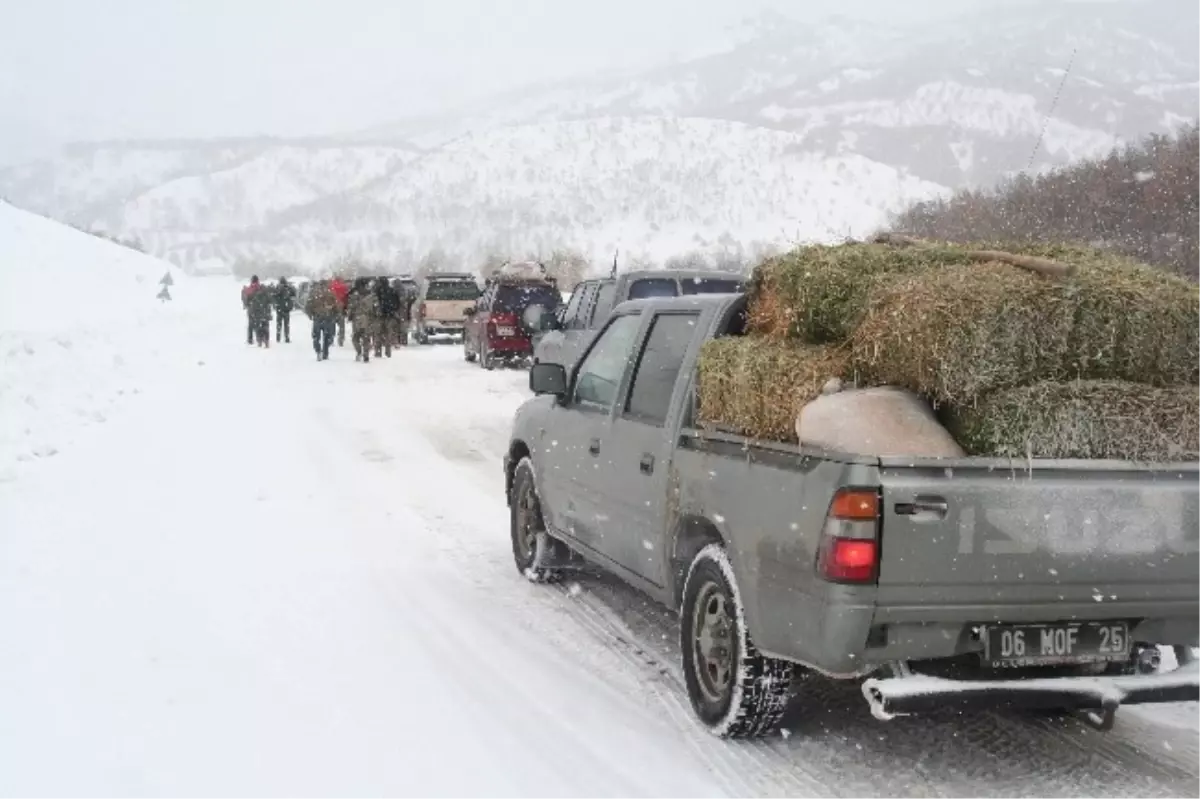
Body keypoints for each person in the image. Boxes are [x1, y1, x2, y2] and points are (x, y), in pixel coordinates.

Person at [304, 279, 340, 361]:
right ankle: (325, 353)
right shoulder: (331, 293)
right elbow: (336, 305)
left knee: (316, 336)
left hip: (317, 317)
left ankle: (318, 351)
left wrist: (310, 315)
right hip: (328, 317)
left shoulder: (313, 293)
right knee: (327, 336)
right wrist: (335, 314)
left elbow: (308, 306)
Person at [348, 277, 379, 362]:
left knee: (355, 338)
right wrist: (376, 315)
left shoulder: (353, 295)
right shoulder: (372, 295)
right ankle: (366, 355)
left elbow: (350, 308)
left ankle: (358, 352)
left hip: (357, 319)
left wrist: (350, 316)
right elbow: (376, 307)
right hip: (368, 318)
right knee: (366, 338)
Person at [375, 277, 402, 358]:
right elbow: (398, 303)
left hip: (380, 315)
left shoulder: (377, 291)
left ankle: (378, 352)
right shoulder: (393, 291)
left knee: (378, 334)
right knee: (388, 334)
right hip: (390, 315)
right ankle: (388, 351)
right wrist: (393, 311)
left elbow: (375, 303)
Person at [247, 277, 274, 347]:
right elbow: (271, 301)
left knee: (257, 327)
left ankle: (259, 340)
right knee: (266, 327)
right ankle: (266, 341)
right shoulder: (266, 293)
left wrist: (252, 311)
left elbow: (249, 302)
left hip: (257, 313)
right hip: (266, 313)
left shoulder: (253, 292)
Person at [274, 276, 297, 343]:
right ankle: (287, 338)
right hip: (286, 309)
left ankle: (278, 338)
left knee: (279, 324)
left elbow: (274, 296)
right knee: (286, 325)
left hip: (279, 309)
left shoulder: (278, 287)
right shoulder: (288, 287)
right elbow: (294, 294)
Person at [241, 275, 263, 345]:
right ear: (257, 280)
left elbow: (245, 298)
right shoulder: (260, 288)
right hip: (258, 309)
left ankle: (250, 340)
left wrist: (246, 305)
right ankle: (258, 338)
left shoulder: (249, 288)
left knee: (250, 325)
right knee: (258, 324)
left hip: (250, 309)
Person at [330, 275, 350, 347]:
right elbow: (347, 297)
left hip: (332, 308)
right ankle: (341, 340)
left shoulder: (331, 286)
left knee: (331, 325)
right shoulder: (344, 287)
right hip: (341, 307)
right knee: (341, 326)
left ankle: (331, 339)